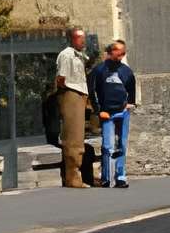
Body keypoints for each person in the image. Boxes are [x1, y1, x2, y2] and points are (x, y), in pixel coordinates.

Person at [89, 40, 137, 187]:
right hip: (107, 113)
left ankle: (120, 177)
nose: (122, 54)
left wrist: (130, 103)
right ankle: (107, 178)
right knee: (108, 146)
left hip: (122, 111)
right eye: (119, 51)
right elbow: (92, 91)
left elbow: (131, 88)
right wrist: (99, 110)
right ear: (111, 52)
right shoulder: (99, 70)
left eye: (123, 51)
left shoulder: (126, 70)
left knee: (122, 145)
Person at [54, 27, 94, 189]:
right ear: (72, 39)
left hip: (80, 93)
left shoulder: (80, 55)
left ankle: (80, 175)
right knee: (73, 138)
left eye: (84, 38)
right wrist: (69, 93)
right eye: (79, 38)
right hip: (72, 93)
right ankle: (73, 177)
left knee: (80, 136)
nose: (83, 41)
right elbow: (61, 79)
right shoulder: (66, 55)